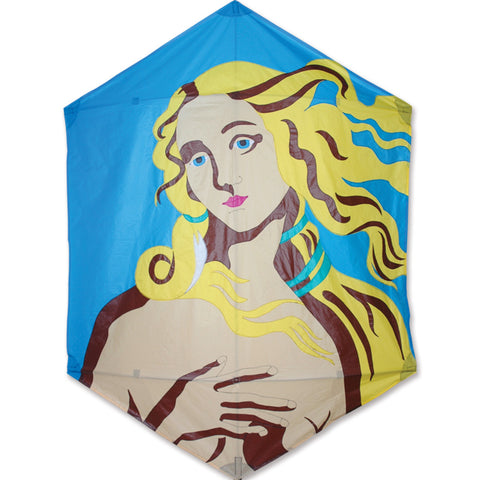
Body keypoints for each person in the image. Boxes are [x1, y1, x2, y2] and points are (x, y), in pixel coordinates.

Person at [80, 59, 416, 476]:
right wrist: (168, 414)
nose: (222, 177)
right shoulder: (133, 323)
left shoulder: (366, 318)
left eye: (241, 143)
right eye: (198, 158)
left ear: (292, 144)